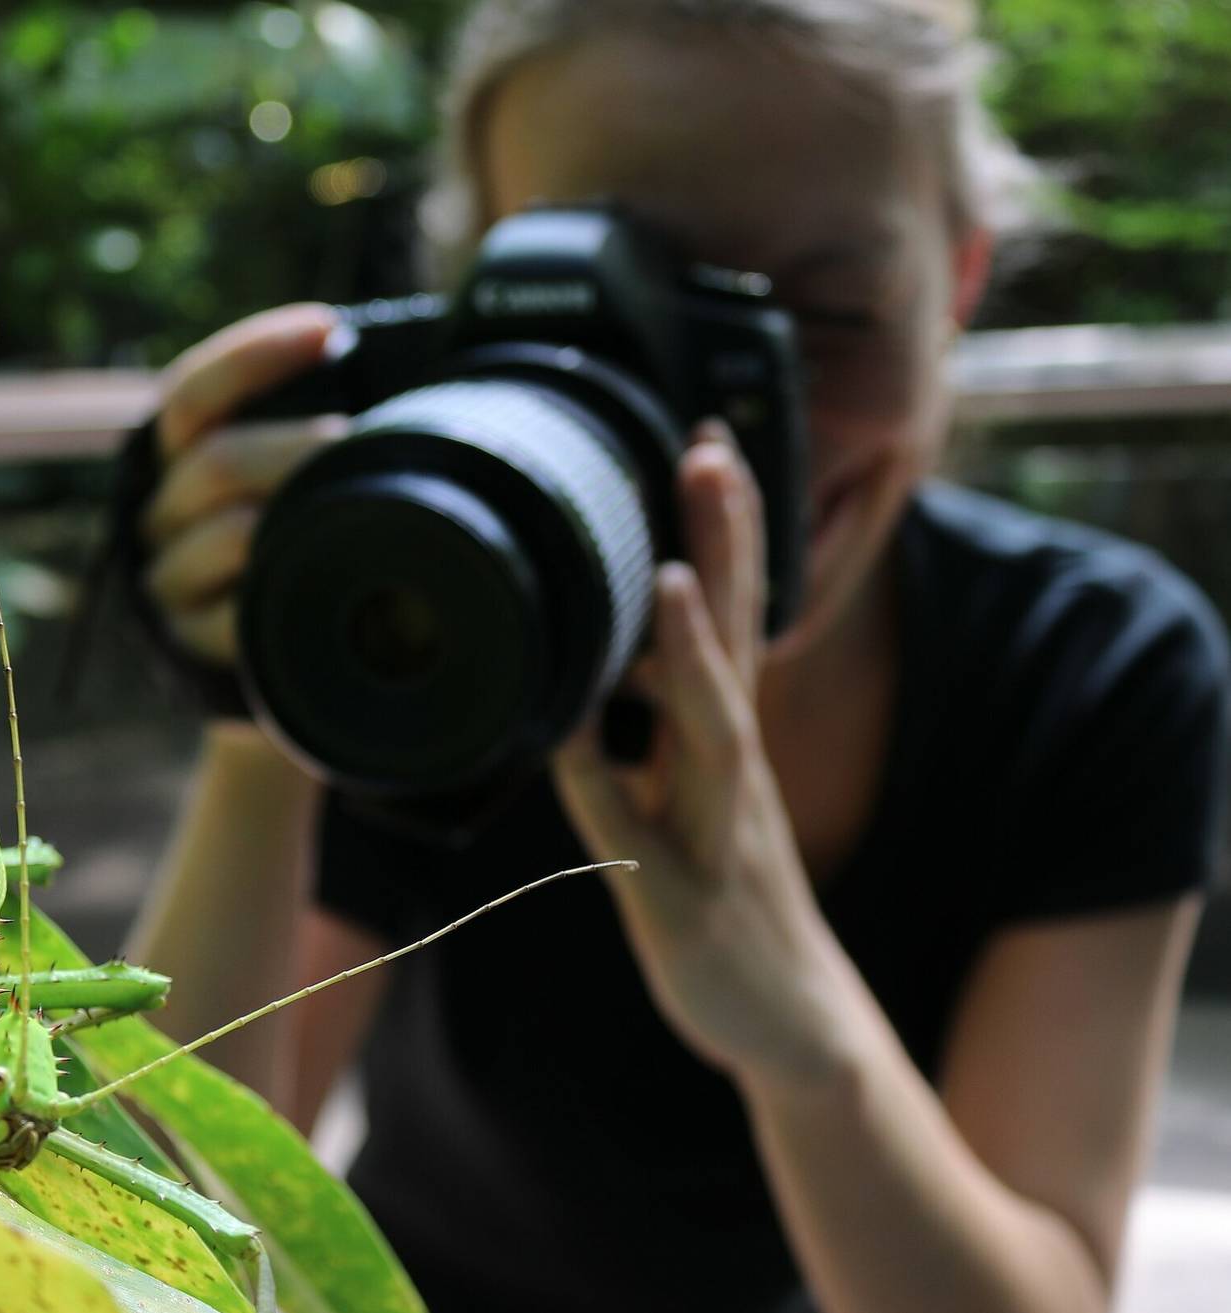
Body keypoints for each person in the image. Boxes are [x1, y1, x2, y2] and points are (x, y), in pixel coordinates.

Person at [121, 2, 1231, 1310]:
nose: (724, 436)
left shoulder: (1092, 670)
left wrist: (786, 999)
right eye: (618, 319)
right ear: (486, 297)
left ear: (962, 280)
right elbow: (161, 1237)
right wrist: (273, 708)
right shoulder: (449, 615)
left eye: (829, 311)